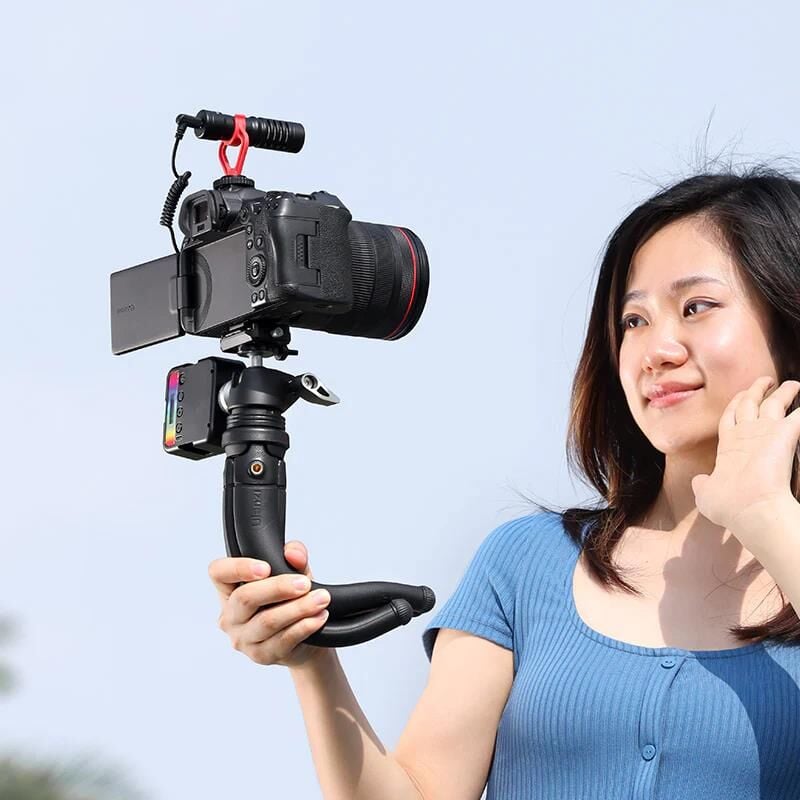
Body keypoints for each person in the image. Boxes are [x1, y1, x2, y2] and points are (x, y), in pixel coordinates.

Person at [208, 165, 800, 799]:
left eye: (696, 308)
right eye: (634, 320)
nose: (656, 350)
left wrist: (767, 514)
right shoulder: (527, 563)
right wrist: (311, 656)